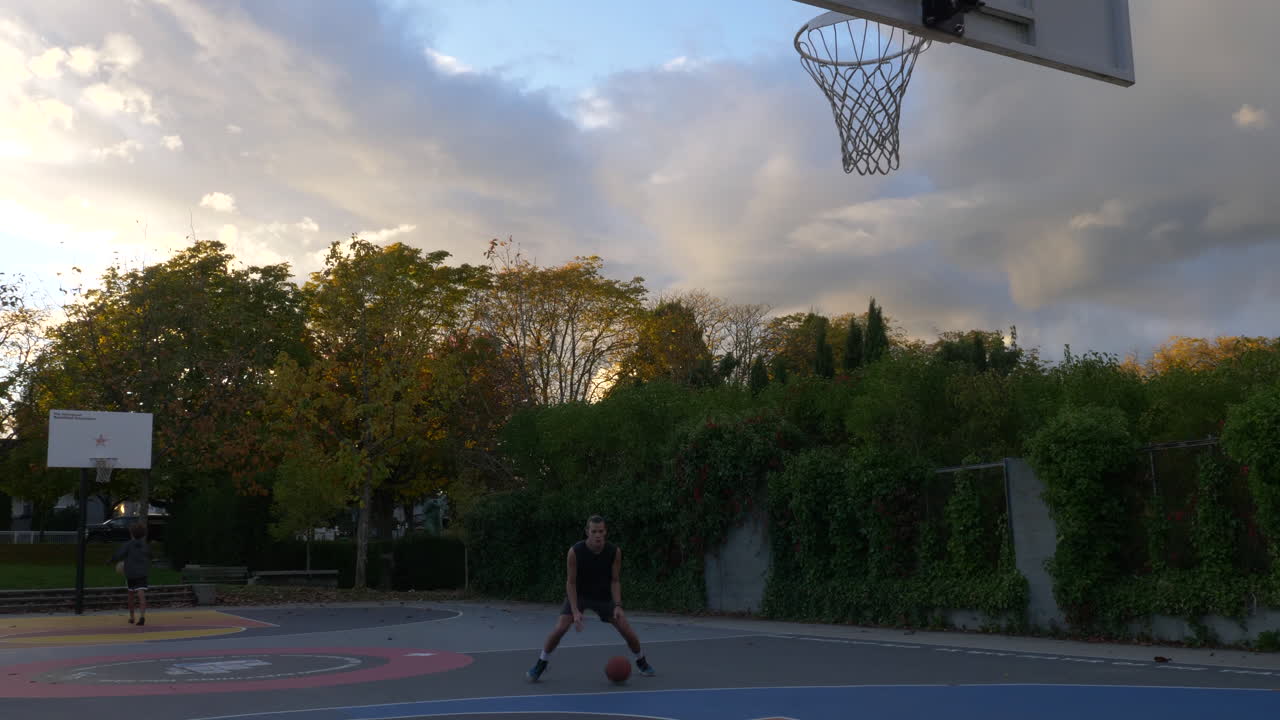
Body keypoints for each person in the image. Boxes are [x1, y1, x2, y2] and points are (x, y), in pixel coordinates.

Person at [526, 515, 655, 682]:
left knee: (626, 629)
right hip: (579, 595)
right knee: (560, 628)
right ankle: (541, 663)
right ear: (587, 532)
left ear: (605, 532)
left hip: (603, 597)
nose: (598, 535)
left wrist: (617, 605)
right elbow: (571, 583)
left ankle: (641, 661)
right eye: (594, 531)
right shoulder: (575, 552)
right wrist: (574, 611)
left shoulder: (614, 551)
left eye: (601, 531)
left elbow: (615, 580)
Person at [109, 521, 152, 626]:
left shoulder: (128, 545)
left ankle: (132, 617)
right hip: (142, 573)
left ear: (131, 533)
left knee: (131, 595)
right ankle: (142, 616)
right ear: (143, 534)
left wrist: (111, 560)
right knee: (141, 594)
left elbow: (119, 554)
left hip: (131, 572)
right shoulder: (145, 546)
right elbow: (150, 556)